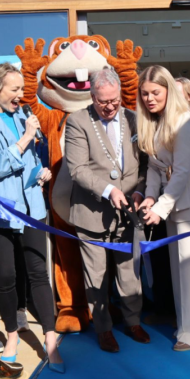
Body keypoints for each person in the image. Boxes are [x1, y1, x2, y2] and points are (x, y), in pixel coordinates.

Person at [0, 63, 64, 371]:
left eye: (22, 89)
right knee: (5, 278)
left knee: (38, 272)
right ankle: (11, 336)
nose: (21, 95)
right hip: (0, 212)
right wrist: (26, 138)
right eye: (15, 89)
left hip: (32, 209)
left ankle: (49, 339)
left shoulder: (23, 117)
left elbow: (29, 162)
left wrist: (41, 172)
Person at [63, 67, 150, 354]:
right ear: (92, 96)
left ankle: (133, 321)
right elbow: (78, 169)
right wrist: (109, 190)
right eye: (103, 102)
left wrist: (138, 190)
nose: (110, 106)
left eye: (115, 100)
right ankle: (103, 328)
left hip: (128, 213)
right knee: (96, 275)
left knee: (128, 272)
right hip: (92, 212)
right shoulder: (77, 121)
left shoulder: (134, 119)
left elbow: (144, 164)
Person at [137, 65, 190, 351]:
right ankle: (186, 327)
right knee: (179, 273)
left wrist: (159, 207)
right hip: (173, 207)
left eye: (155, 92)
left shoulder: (185, 121)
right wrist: (149, 198)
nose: (149, 98)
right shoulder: (155, 122)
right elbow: (154, 168)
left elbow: (182, 172)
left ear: (167, 90)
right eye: (144, 93)